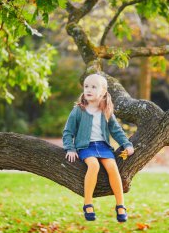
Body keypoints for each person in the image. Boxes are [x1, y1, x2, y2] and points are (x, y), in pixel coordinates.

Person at [62, 73, 135, 223]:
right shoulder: (79, 110)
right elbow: (68, 132)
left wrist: (127, 144)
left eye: (93, 87)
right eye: (86, 86)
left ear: (102, 91)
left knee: (113, 168)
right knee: (94, 165)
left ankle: (120, 205)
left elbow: (116, 130)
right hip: (85, 147)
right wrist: (70, 148)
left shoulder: (106, 110)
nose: (88, 89)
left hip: (103, 147)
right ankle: (88, 203)